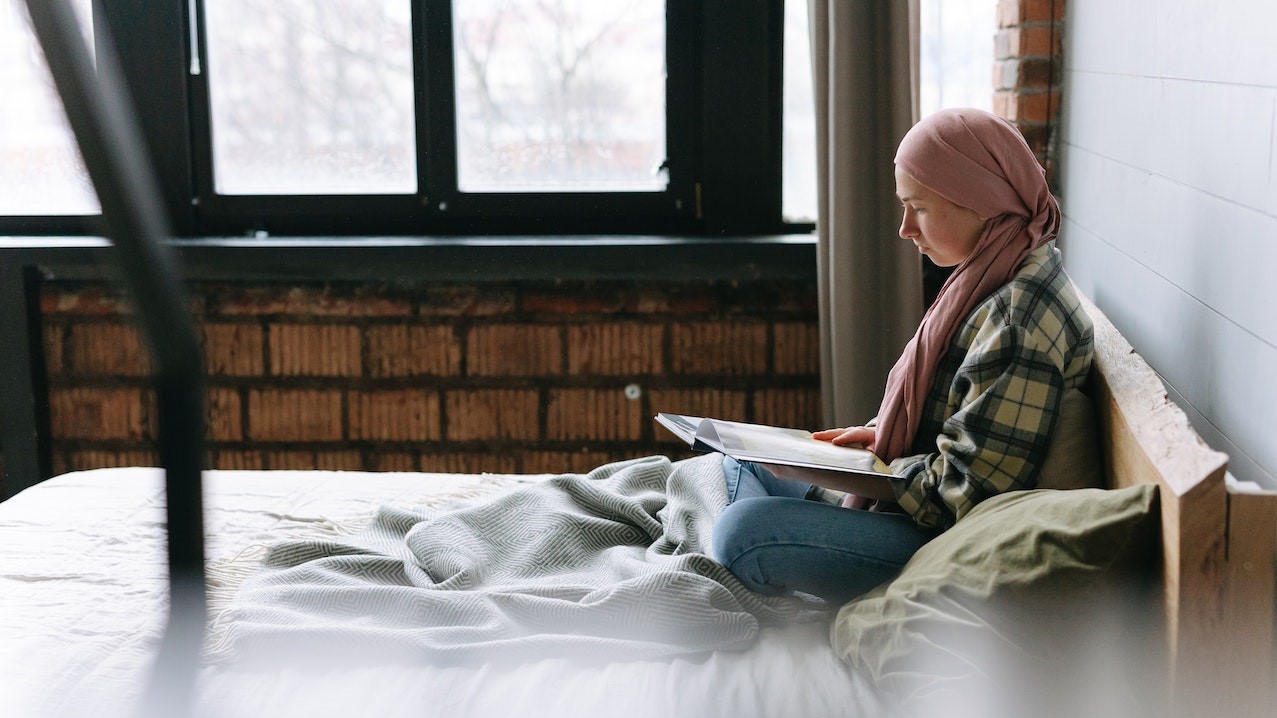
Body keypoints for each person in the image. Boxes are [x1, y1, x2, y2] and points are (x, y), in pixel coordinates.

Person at [711, 108, 1095, 604]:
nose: (905, 229)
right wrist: (883, 440)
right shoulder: (996, 272)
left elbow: (967, 495)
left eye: (920, 207)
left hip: (944, 541)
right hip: (920, 501)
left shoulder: (1020, 320)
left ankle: (794, 563)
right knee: (741, 461)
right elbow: (966, 424)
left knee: (742, 531)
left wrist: (882, 469)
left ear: (981, 201)